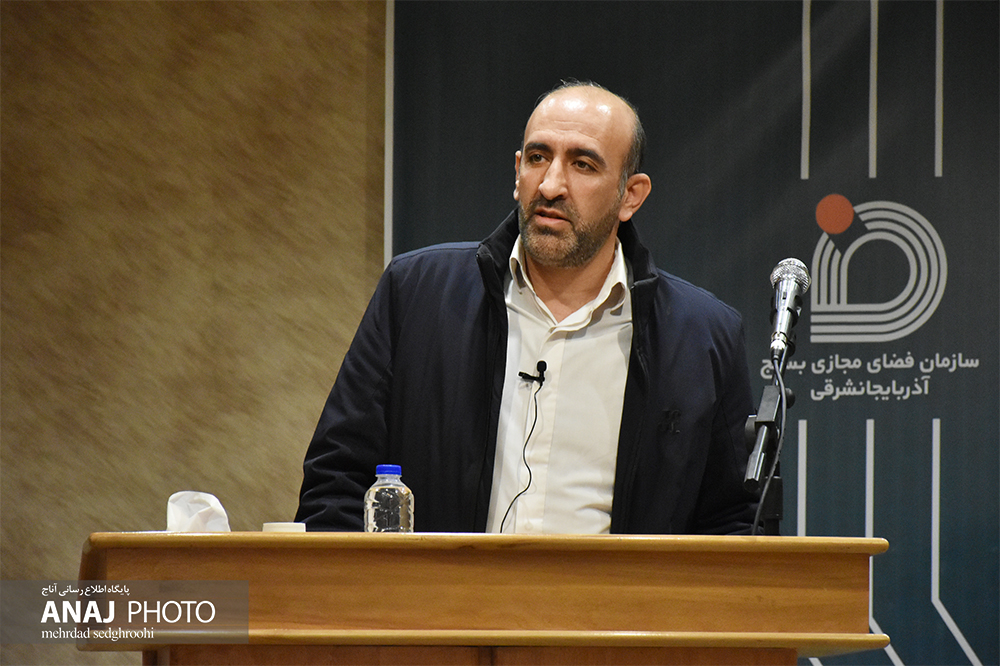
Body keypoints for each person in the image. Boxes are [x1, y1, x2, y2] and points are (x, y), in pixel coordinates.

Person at [295, 81, 758, 534]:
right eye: (538, 158)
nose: (551, 185)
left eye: (583, 165)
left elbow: (734, 526)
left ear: (630, 195)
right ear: (518, 173)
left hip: (611, 591)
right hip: (442, 589)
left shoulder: (702, 336)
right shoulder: (415, 293)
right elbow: (335, 482)